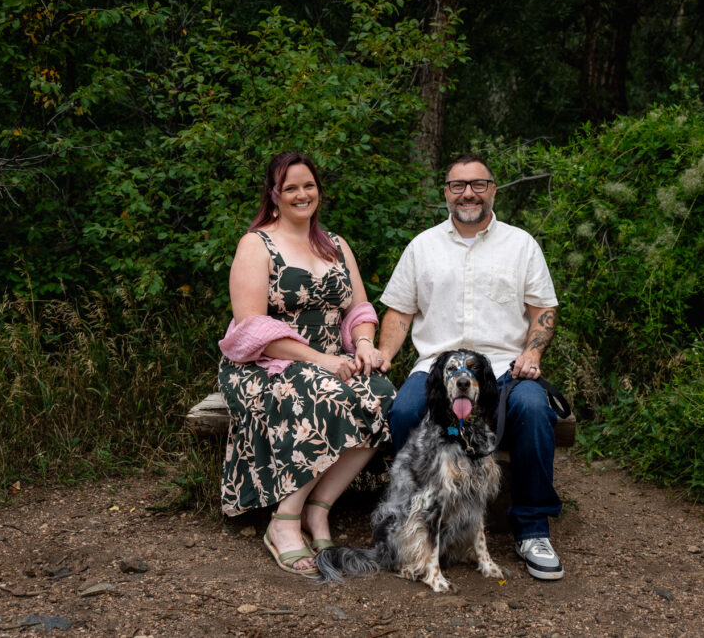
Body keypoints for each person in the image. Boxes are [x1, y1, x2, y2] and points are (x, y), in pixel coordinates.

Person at [376, 152, 565, 580]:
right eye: (458, 185)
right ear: (446, 192)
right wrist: (385, 356)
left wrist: (532, 353)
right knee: (405, 411)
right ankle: (418, 522)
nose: (468, 193)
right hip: (436, 369)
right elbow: (399, 313)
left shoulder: (521, 244)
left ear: (493, 189)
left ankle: (532, 528)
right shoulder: (422, 246)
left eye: (478, 184)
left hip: (501, 369)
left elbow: (543, 309)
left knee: (535, 410)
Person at [217, 151, 393, 578]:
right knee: (326, 393)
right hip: (266, 363)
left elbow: (360, 308)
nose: (301, 194)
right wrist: (322, 361)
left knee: (382, 394)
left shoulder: (335, 244)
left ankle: (318, 510)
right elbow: (252, 327)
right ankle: (283, 521)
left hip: (333, 360)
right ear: (274, 195)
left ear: (319, 191)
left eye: (308, 186)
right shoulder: (256, 244)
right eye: (290, 187)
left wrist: (366, 345)